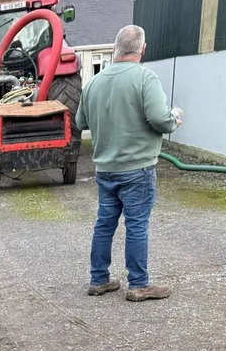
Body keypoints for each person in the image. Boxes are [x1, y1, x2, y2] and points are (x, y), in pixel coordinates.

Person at [75, 24, 182, 302]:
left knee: (104, 223)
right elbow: (160, 119)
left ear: (115, 49)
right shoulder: (146, 78)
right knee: (137, 224)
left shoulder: (94, 83)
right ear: (142, 49)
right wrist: (175, 119)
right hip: (138, 168)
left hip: (105, 168)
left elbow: (80, 122)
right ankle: (138, 284)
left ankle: (99, 279)